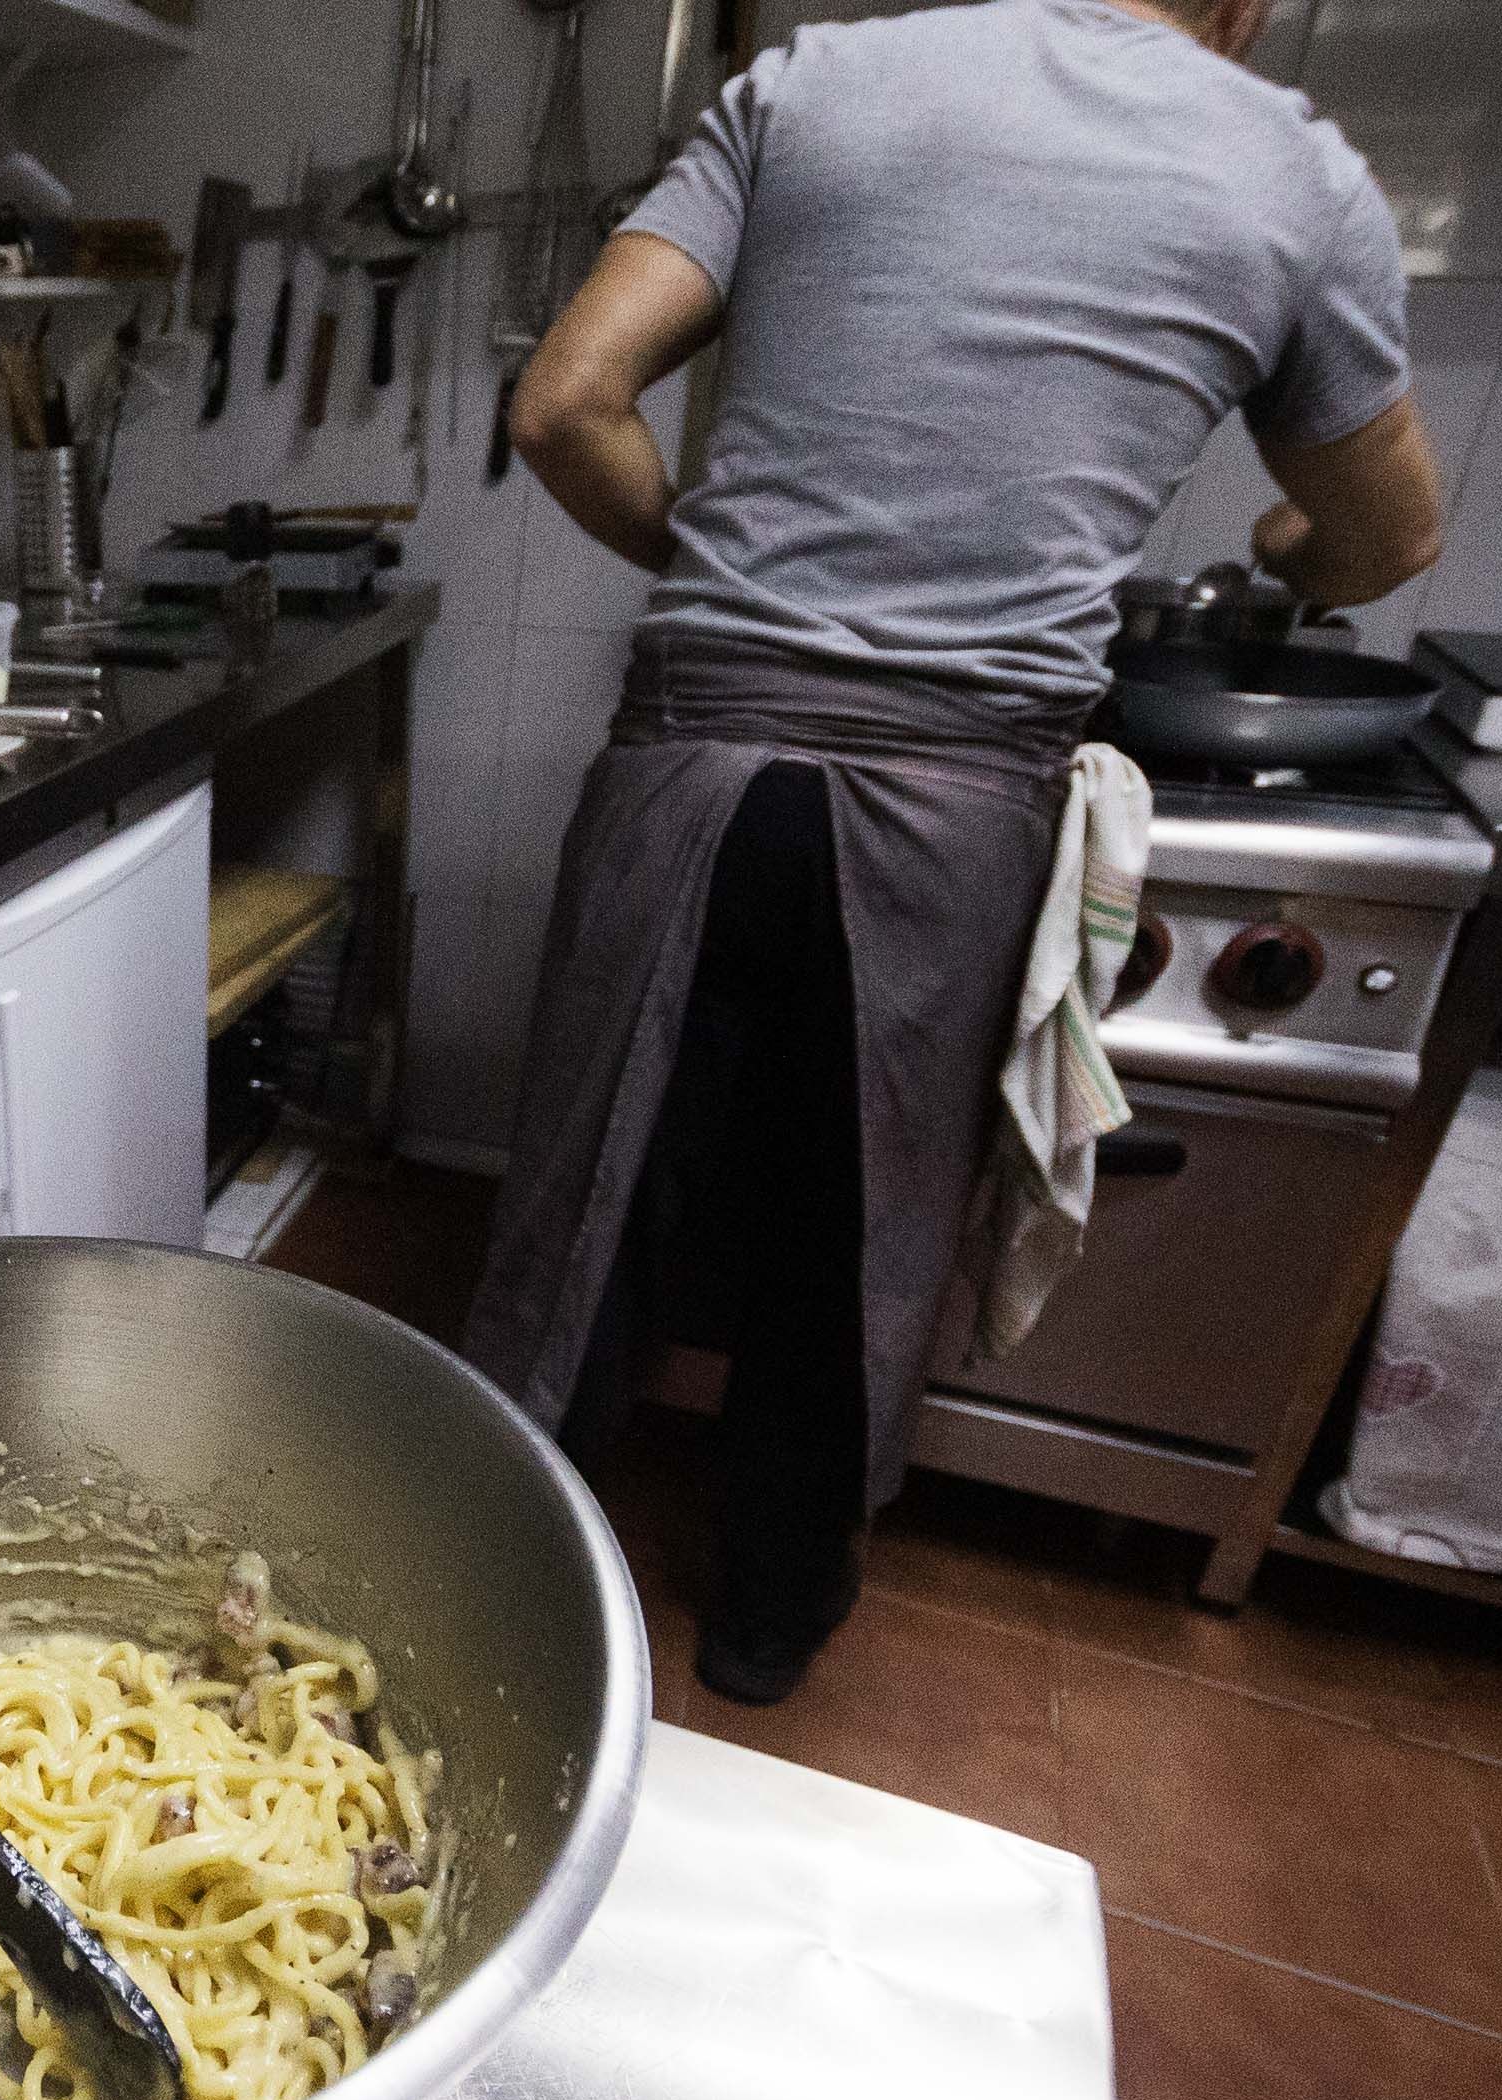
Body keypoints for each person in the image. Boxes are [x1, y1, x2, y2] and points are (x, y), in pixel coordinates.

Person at [461, 0, 1447, 1705]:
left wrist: (724, 571)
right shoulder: (1294, 175)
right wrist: (1293, 539)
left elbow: (565, 404)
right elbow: (1386, 533)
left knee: (585, 1210)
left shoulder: (814, 83)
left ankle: (467, 1592)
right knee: (857, 1225)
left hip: (698, 750)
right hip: (953, 802)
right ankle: (764, 1623)